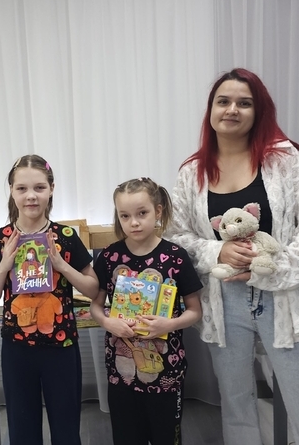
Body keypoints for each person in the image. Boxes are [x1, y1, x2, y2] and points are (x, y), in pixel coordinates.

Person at [164, 68, 299, 444]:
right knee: (235, 404)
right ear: (211, 110)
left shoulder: (286, 160)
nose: (232, 109)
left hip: (284, 300)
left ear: (258, 111)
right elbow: (176, 236)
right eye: (223, 101)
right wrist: (219, 249)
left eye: (244, 103)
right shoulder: (191, 172)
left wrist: (271, 267)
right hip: (223, 301)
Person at [0, 155, 99, 445]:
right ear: (12, 191)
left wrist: (62, 265)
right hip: (17, 347)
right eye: (22, 188)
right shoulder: (0, 239)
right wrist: (5, 265)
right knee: (22, 429)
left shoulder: (65, 236)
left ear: (51, 189)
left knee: (66, 427)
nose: (31, 196)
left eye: (39, 188)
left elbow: (93, 289)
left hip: (61, 346)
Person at [90, 177, 202, 445]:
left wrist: (168, 324)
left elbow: (195, 310)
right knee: (126, 436)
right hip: (121, 370)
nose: (134, 222)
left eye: (142, 213)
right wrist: (107, 323)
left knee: (166, 436)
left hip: (167, 371)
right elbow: (95, 306)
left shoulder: (176, 256)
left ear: (158, 211)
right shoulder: (109, 257)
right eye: (125, 216)